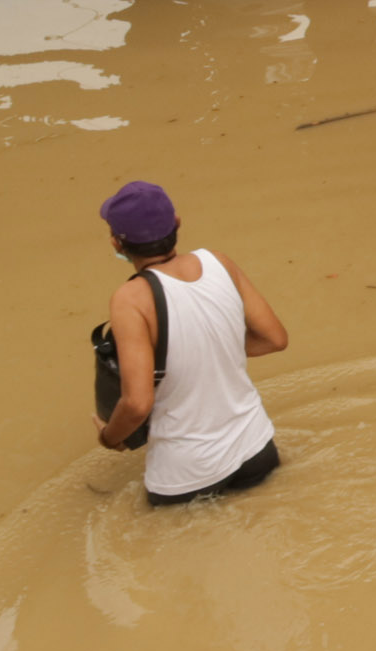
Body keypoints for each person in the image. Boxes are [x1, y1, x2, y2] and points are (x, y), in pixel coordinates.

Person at [95, 181, 288, 505]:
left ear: (116, 242)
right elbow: (274, 339)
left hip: (186, 475)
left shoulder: (130, 299)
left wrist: (108, 437)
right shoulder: (219, 262)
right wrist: (206, 348)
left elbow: (137, 403)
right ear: (178, 222)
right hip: (257, 449)